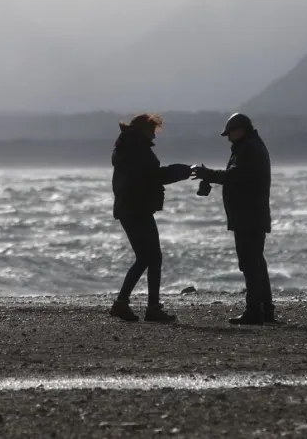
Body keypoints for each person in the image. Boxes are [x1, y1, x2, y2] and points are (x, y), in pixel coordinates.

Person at [192, 113, 275, 325]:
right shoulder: (251, 146)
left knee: (249, 263)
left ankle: (254, 311)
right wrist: (210, 177)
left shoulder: (248, 149)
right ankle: (265, 310)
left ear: (241, 129)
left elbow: (234, 176)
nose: (228, 137)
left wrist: (208, 174)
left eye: (230, 133)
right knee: (256, 262)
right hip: (252, 214)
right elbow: (236, 177)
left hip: (248, 215)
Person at [109, 113, 192, 323]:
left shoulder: (128, 147)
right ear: (144, 130)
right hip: (136, 209)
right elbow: (154, 176)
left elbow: (150, 176)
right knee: (151, 257)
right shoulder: (137, 150)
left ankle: (124, 303)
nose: (154, 137)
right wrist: (183, 171)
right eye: (153, 131)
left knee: (146, 257)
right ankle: (148, 307)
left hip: (131, 209)